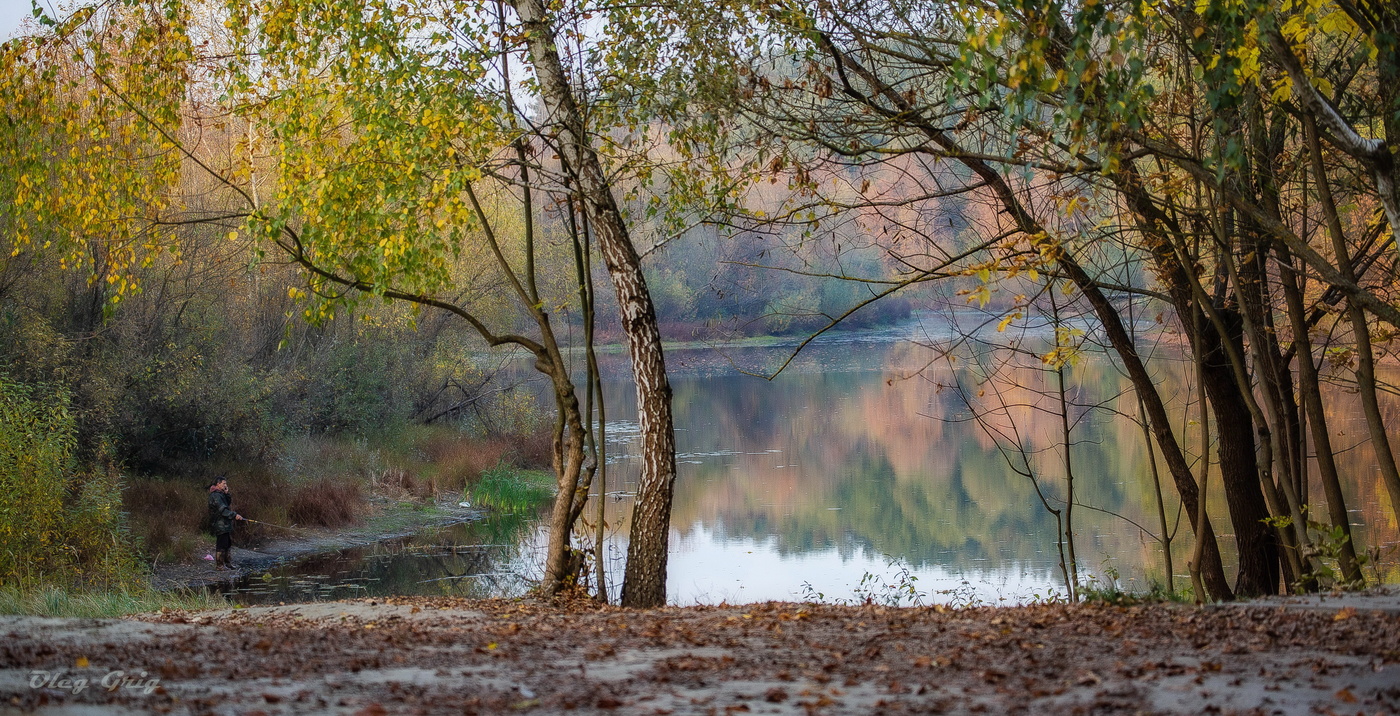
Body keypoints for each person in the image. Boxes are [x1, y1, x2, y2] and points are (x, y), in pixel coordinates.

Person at [207, 476, 245, 570]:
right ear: (218, 484)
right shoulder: (215, 495)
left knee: (227, 543)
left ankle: (227, 564)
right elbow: (222, 510)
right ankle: (220, 566)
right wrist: (234, 515)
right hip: (219, 523)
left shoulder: (221, 494)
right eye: (224, 483)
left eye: (226, 484)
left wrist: (227, 494)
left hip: (225, 523)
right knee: (221, 545)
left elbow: (227, 504)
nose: (225, 485)